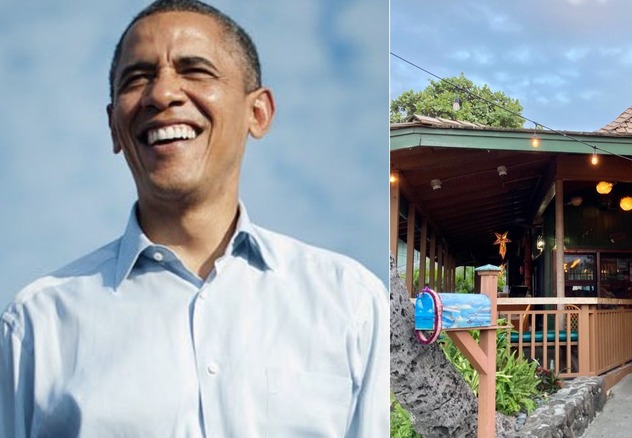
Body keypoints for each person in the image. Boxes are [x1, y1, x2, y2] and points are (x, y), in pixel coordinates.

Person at [0, 0, 389, 436]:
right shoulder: (38, 324)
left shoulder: (349, 303)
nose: (163, 93)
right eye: (137, 77)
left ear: (257, 113)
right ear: (113, 126)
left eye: (195, 70)